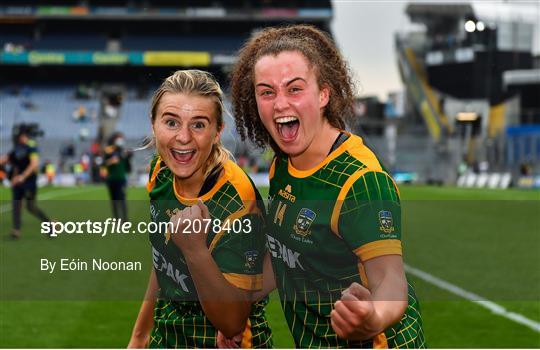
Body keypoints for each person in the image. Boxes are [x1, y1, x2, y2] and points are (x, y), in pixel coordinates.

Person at [223, 24, 426, 348]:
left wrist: (371, 318)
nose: (279, 104)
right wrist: (232, 309)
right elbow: (282, 257)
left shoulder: (360, 180)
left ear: (324, 94)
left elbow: (390, 280)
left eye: (294, 89)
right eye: (267, 91)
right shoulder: (282, 167)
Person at [128, 70, 272, 348]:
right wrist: (139, 337)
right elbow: (162, 261)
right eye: (171, 122)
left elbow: (232, 322)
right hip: (167, 339)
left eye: (198, 125)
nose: (183, 137)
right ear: (153, 124)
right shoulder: (161, 172)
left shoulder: (236, 200)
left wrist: (194, 249)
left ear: (217, 131)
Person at [0, 129, 51, 239]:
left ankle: (49, 224)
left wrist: (22, 176)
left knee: (31, 207)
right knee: (16, 205)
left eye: (23, 136)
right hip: (17, 183)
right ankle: (16, 231)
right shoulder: (16, 150)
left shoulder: (31, 149)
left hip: (29, 183)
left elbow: (34, 164)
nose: (21, 138)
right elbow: (6, 159)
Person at [103, 132, 131, 220]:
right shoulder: (108, 151)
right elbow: (103, 163)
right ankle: (116, 219)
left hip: (121, 179)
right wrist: (111, 161)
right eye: (119, 138)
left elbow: (128, 164)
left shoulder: (123, 151)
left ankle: (125, 220)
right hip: (111, 179)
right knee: (114, 200)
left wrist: (127, 156)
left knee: (122, 199)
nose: (120, 140)